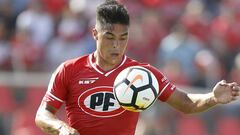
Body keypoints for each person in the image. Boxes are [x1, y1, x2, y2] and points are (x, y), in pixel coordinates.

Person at [35, 1, 240, 135]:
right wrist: (61, 128)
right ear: (95, 34)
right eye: (109, 37)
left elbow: (186, 103)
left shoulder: (141, 74)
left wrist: (212, 98)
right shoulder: (69, 69)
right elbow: (42, 115)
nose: (117, 45)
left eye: (123, 38)